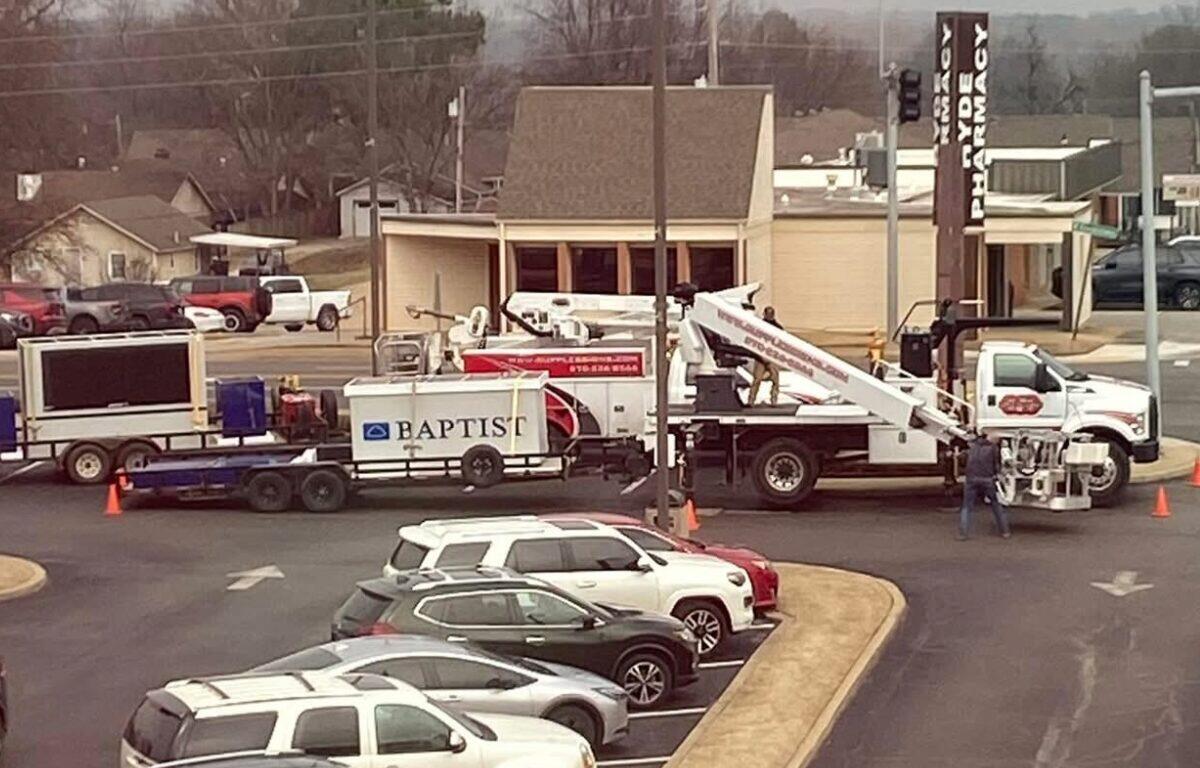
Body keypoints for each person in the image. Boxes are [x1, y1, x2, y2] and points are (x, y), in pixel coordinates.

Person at [959, 432, 1011, 540]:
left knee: (967, 507)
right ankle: (1005, 531)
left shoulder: (973, 446)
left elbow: (963, 459)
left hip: (971, 479)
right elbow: (996, 465)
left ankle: (963, 533)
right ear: (993, 439)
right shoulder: (993, 448)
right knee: (996, 505)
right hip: (987, 479)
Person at [748, 306, 782, 406]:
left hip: (772, 356)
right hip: (760, 357)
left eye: (771, 314)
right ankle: (751, 399)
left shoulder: (778, 328)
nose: (769, 316)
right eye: (768, 314)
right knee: (757, 379)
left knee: (775, 380)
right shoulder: (759, 326)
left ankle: (774, 399)